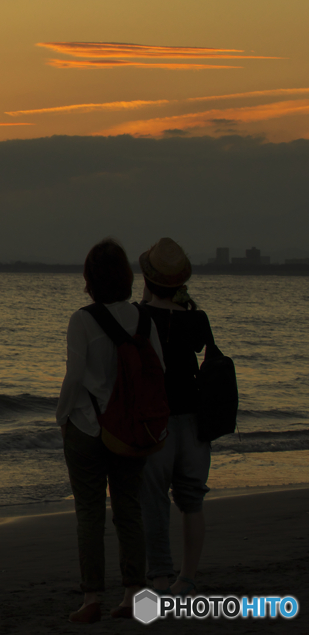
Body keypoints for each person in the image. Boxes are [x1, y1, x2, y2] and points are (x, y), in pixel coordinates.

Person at [55, 237, 164, 623]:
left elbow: (73, 378)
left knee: (89, 513)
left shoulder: (82, 320)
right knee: (128, 510)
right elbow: (158, 374)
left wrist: (62, 418)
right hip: (131, 430)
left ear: (89, 279)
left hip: (87, 427)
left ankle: (91, 598)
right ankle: (134, 593)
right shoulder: (145, 319)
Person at [137, 237, 214, 597]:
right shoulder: (198, 319)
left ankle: (161, 579)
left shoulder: (142, 317)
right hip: (196, 420)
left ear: (148, 280)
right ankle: (188, 578)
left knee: (154, 500)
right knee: (191, 501)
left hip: (158, 420)